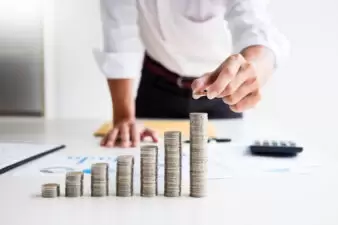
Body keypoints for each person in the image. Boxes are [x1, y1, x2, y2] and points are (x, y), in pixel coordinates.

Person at [93, 0, 289, 148]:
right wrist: (124, 117)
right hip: (156, 84)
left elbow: (254, 26)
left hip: (222, 88)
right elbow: (120, 33)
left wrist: (253, 68)